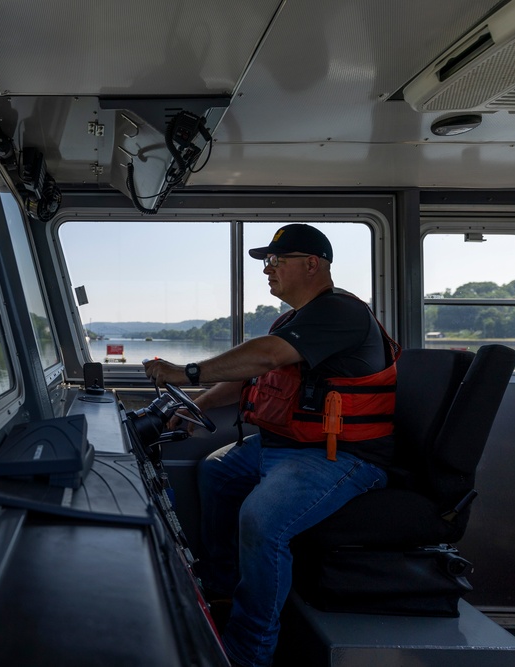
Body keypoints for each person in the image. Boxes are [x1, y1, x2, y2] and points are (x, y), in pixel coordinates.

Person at [143, 224, 399, 667]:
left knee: (262, 519)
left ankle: (248, 652)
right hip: (288, 446)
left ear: (312, 264)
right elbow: (250, 376)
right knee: (217, 471)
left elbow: (265, 357)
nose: (268, 270)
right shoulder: (291, 321)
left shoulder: (340, 312)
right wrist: (191, 412)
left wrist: (184, 372)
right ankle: (223, 592)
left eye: (276, 261)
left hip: (341, 456)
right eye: (266, 262)